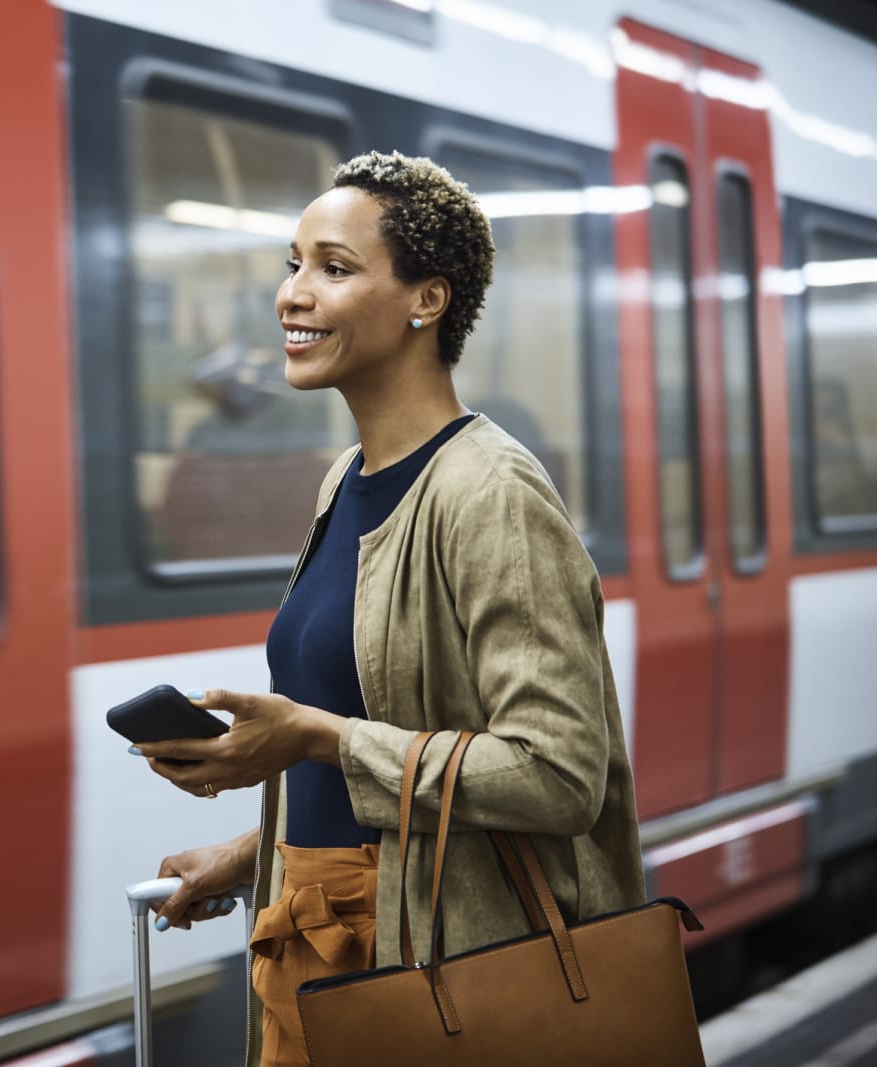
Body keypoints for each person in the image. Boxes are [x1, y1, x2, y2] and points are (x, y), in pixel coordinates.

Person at [133, 151, 645, 1066]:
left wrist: (314, 738)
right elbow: (390, 742)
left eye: (334, 267)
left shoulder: (491, 493)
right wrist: (256, 851)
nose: (293, 294)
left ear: (427, 301)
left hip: (426, 969)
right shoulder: (348, 482)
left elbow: (560, 772)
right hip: (316, 941)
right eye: (292, 264)